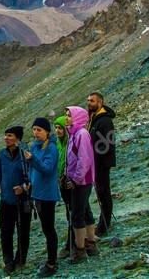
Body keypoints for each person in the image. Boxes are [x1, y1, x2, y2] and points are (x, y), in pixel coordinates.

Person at [0, 126, 30, 275]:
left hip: (23, 200)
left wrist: (23, 187)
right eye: (5, 135)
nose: (6, 138)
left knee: (23, 231)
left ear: (18, 138)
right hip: (6, 200)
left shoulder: (26, 154)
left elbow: (32, 176)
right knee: (6, 232)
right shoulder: (2, 155)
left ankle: (20, 258)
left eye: (9, 135)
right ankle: (8, 260)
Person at [24, 117, 60, 277]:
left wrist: (32, 159)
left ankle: (52, 263)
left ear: (47, 132)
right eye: (34, 130)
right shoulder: (36, 146)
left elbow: (46, 169)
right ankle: (50, 259)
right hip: (37, 193)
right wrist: (29, 183)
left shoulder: (51, 148)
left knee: (49, 228)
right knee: (45, 228)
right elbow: (33, 170)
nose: (36, 133)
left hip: (47, 194)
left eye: (39, 130)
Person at [63, 105, 97, 264]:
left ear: (77, 117)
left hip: (81, 181)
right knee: (86, 211)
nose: (66, 118)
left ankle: (80, 249)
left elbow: (84, 159)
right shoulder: (74, 133)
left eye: (69, 115)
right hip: (80, 179)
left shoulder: (81, 134)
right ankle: (91, 244)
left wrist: (75, 179)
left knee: (77, 214)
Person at [87, 91, 117, 235]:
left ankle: (104, 225)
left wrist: (92, 155)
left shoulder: (105, 121)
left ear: (100, 102)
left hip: (102, 163)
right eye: (88, 101)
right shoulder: (95, 118)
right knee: (101, 192)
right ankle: (103, 222)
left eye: (92, 101)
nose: (89, 103)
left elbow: (107, 144)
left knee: (104, 192)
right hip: (97, 162)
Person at [53, 115, 71, 261]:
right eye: (56, 128)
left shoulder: (69, 142)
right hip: (62, 181)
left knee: (73, 211)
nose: (57, 131)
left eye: (60, 128)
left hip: (70, 181)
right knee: (69, 210)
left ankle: (74, 242)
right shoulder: (58, 143)